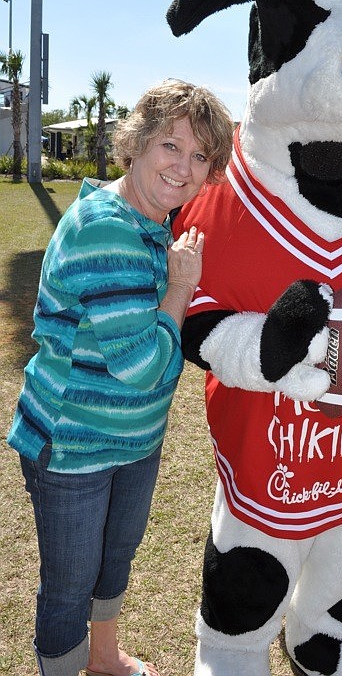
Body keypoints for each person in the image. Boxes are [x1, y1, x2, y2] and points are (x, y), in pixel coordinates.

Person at [7, 79, 233, 676]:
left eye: (200, 155)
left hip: (134, 440)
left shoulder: (151, 223)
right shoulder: (108, 226)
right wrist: (182, 285)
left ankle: (103, 659)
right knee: (68, 587)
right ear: (135, 144)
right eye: (170, 145)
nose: (183, 167)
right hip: (75, 445)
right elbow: (143, 366)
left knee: (113, 562)